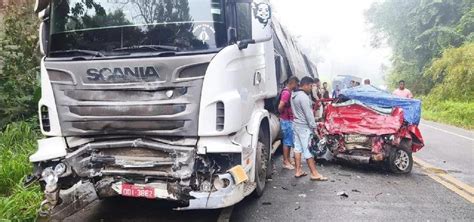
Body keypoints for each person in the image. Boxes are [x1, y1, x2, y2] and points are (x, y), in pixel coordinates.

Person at [290, 76, 328, 181]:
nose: (311, 89)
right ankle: (314, 173)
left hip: (296, 125)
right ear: (306, 85)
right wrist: (314, 128)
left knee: (297, 149)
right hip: (304, 127)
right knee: (308, 150)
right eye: (310, 86)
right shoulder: (303, 97)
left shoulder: (293, 95)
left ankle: (298, 171)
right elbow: (309, 115)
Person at [278, 76, 299, 170]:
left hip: (288, 120)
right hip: (286, 120)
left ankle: (288, 160)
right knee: (287, 141)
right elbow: (280, 106)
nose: (296, 86)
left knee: (289, 141)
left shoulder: (288, 92)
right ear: (292, 83)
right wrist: (283, 113)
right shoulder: (286, 93)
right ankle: (285, 161)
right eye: (296, 84)